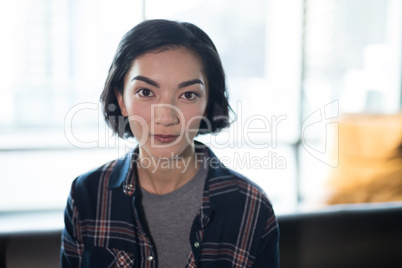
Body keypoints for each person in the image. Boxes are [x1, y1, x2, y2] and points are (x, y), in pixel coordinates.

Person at [61, 19, 279, 268]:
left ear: (208, 104)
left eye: (188, 95)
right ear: (121, 99)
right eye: (145, 92)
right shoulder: (87, 195)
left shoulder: (252, 207)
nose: (166, 117)